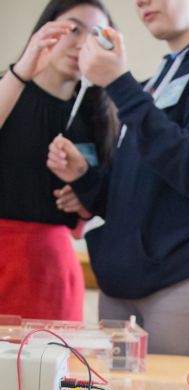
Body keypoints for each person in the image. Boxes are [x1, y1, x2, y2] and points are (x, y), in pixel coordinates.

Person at [45, 0, 189, 374]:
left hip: (183, 276)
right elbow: (132, 195)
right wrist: (83, 177)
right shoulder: (159, 77)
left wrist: (118, 83)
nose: (141, 2)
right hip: (122, 281)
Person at [0, 0, 116, 322]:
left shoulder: (100, 116)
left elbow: (109, 197)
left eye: (96, 35)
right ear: (46, 28)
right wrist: (22, 71)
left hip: (52, 268)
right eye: (74, 29)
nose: (81, 43)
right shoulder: (9, 89)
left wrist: (84, 197)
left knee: (51, 353)